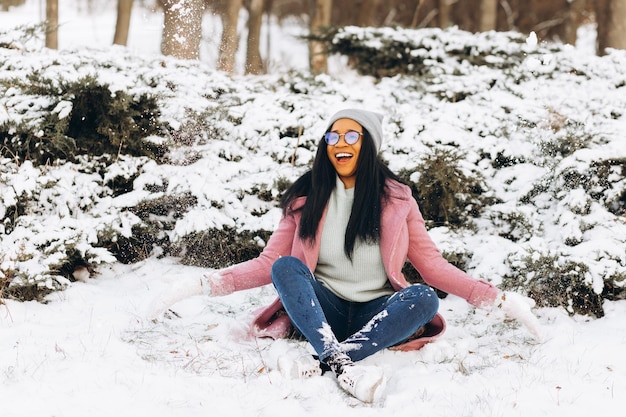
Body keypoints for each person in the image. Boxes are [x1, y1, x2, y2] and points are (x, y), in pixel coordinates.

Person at [150, 109, 542, 403]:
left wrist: (499, 300)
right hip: (324, 312)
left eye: (351, 136)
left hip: (377, 314)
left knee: (422, 297)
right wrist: (201, 284)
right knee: (288, 266)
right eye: (332, 137)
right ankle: (341, 364)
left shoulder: (398, 200)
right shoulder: (306, 199)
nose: (339, 143)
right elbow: (270, 265)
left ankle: (327, 362)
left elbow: (432, 266)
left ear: (368, 145)